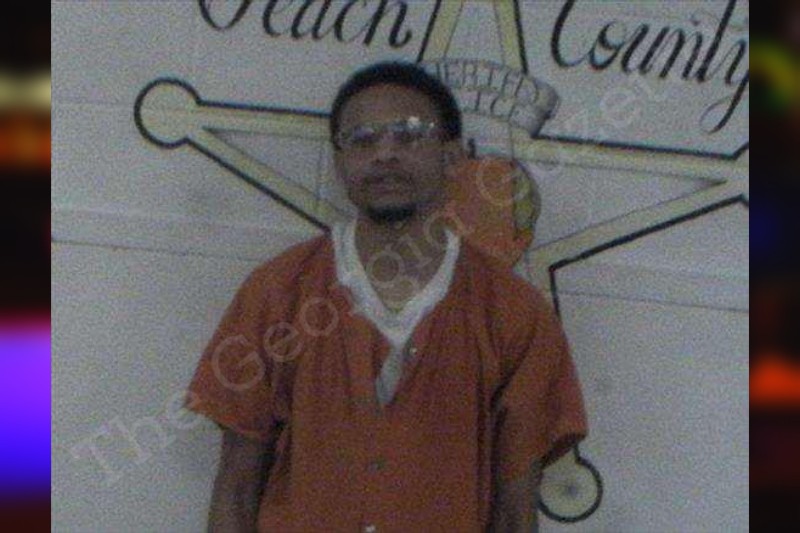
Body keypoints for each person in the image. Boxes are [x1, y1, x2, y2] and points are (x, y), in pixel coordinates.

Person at [184, 61, 587, 532]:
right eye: (362, 139)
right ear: (339, 161)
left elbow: (515, 511)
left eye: (410, 135)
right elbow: (235, 489)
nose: (385, 154)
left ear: (452, 156)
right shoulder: (278, 293)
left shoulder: (514, 313)